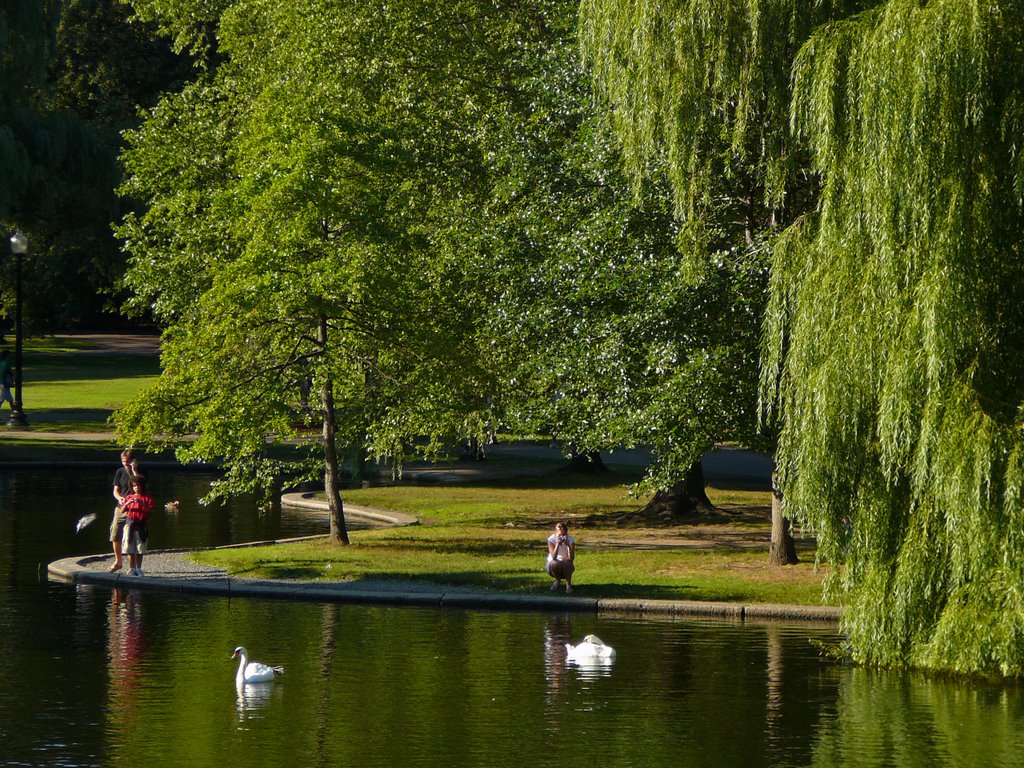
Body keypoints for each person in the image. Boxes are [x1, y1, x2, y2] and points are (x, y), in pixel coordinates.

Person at [108, 450, 135, 572]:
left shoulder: (139, 472)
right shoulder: (119, 472)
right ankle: (118, 561)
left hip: (133, 508)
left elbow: (143, 488)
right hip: (121, 506)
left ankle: (132, 567)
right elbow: (116, 490)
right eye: (124, 462)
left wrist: (134, 471)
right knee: (115, 534)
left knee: (130, 537)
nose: (126, 464)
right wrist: (120, 498)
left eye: (128, 462)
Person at [121, 475, 154, 576]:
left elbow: (150, 511)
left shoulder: (147, 498)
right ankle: (131, 568)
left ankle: (138, 568)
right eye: (134, 486)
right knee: (129, 547)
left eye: (138, 486)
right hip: (129, 524)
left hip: (141, 525)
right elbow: (122, 511)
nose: (136, 488)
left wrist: (141, 503)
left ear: (142, 486)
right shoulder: (129, 497)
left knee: (140, 548)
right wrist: (127, 503)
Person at [546, 521, 576, 593]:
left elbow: (571, 558)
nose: (561, 537)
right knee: (554, 563)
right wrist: (557, 544)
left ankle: (568, 584)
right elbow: (554, 557)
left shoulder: (570, 540)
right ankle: (557, 580)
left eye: (563, 535)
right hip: (554, 565)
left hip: (566, 564)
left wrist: (568, 545)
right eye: (559, 535)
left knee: (567, 562)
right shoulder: (551, 539)